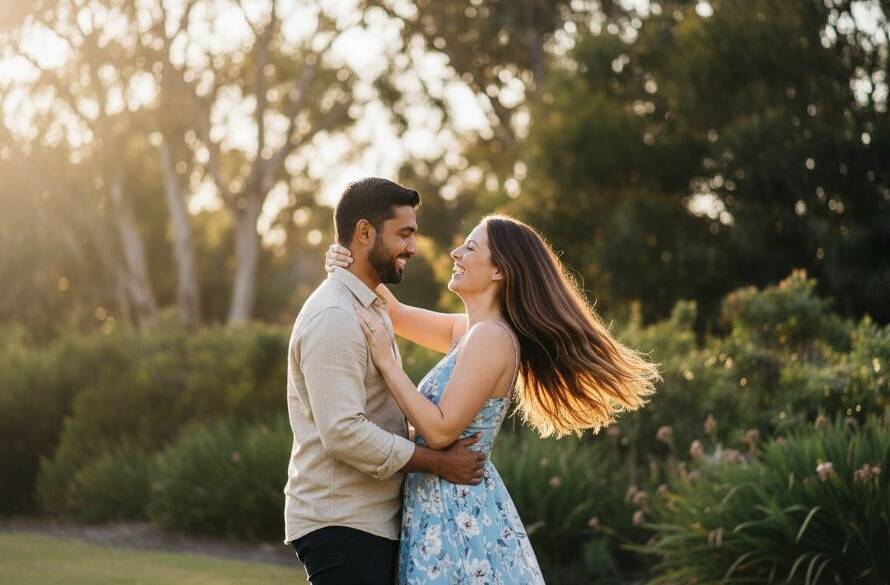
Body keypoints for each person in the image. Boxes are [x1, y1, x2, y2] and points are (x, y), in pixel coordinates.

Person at [325, 214, 661, 584]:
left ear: (499, 270)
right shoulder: (469, 331)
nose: (455, 253)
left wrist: (388, 364)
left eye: (470, 248)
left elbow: (440, 431)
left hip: (458, 518)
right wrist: (348, 262)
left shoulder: (491, 338)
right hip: (441, 509)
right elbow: (396, 314)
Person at [284, 177, 486, 585]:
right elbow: (343, 432)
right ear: (364, 233)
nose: (413, 247)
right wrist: (439, 463)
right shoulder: (335, 316)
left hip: (367, 522)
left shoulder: (368, 305)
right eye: (404, 234)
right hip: (342, 522)